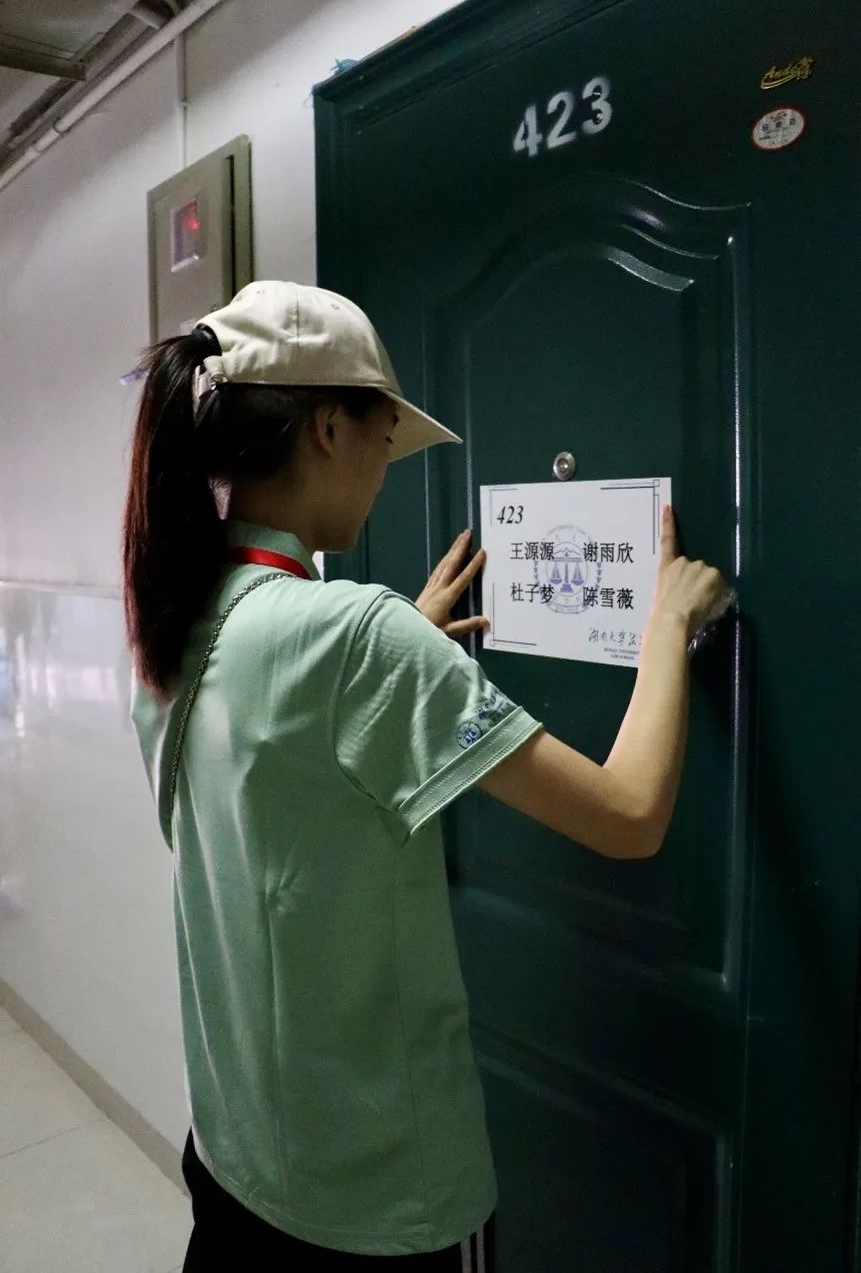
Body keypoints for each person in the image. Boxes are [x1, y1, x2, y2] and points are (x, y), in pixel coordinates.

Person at [123, 281, 729, 1271]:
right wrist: (667, 623)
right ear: (328, 429)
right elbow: (628, 815)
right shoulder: (354, 637)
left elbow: (287, 761)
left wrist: (401, 646)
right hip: (374, 1202)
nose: (385, 468)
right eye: (384, 438)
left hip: (236, 1159)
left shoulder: (176, 618)